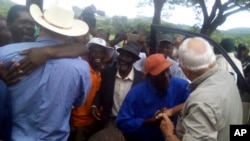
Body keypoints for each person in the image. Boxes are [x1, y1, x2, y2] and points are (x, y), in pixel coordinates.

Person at [0, 3, 91, 141]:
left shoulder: (5, 54)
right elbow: (78, 102)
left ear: (40, 25)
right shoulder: (82, 68)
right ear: (69, 32)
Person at [157, 37, 243, 141]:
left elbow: (203, 103)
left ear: (185, 69)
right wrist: (173, 110)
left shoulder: (202, 101)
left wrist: (168, 134)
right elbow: (208, 104)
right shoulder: (224, 75)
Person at [116, 53, 190, 141]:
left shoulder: (181, 86)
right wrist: (149, 121)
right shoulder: (136, 93)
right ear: (149, 77)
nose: (167, 76)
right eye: (161, 73)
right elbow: (121, 122)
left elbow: (193, 102)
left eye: (167, 70)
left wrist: (172, 111)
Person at [69, 37, 114, 141]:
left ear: (104, 55)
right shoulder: (82, 71)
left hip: (97, 121)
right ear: (88, 54)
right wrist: (71, 123)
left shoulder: (106, 72)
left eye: (101, 52)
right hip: (79, 123)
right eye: (94, 52)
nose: (98, 55)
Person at [91, 41, 144, 128]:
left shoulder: (141, 79)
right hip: (109, 122)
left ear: (134, 60)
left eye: (128, 56)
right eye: (122, 54)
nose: (123, 58)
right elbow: (100, 92)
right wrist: (95, 105)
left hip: (130, 124)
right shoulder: (107, 73)